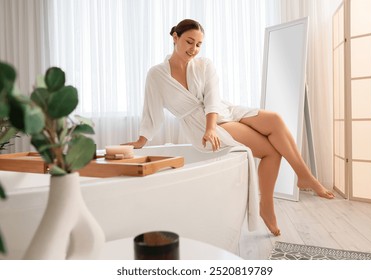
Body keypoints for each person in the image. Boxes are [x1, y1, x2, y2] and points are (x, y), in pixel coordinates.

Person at [124, 19, 334, 236]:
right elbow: (151, 109)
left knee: (275, 120)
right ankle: (267, 205)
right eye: (189, 42)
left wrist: (212, 125)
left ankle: (304, 175)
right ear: (175, 37)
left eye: (198, 44)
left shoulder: (204, 65)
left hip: (220, 112)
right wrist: (142, 140)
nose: (193, 49)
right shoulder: (157, 75)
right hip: (199, 126)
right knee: (271, 151)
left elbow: (213, 98)